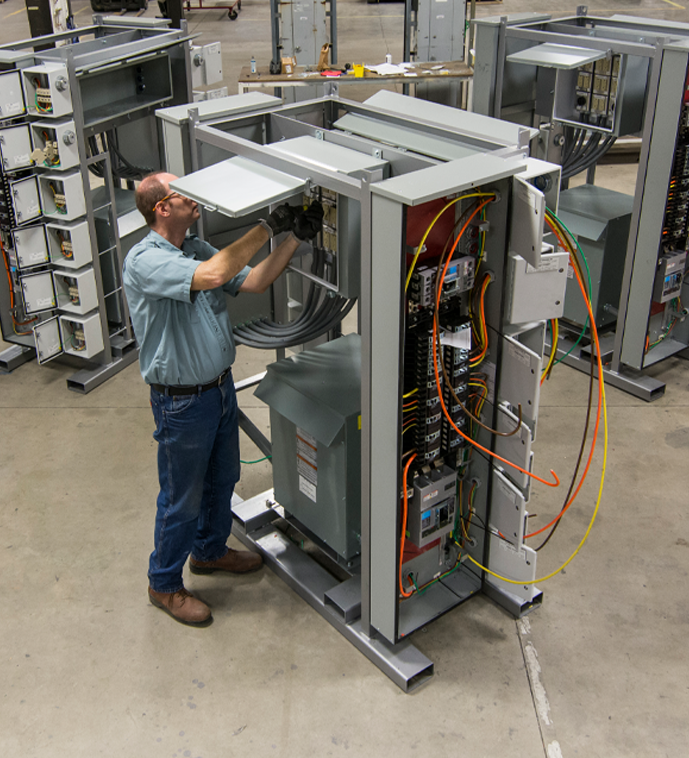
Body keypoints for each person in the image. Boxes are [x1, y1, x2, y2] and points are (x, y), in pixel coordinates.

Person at [123, 172, 323, 627]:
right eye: (184, 194)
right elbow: (215, 275)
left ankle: (209, 553)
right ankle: (164, 584)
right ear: (162, 209)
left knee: (224, 477)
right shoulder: (145, 260)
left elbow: (252, 281)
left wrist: (294, 238)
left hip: (217, 389)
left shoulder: (194, 247)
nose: (196, 200)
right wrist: (267, 227)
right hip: (182, 403)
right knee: (182, 498)